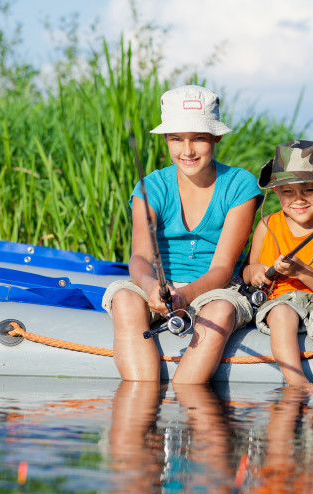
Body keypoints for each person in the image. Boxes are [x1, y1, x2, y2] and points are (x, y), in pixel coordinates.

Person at [102, 85, 261, 384]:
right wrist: (151, 288)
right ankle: (141, 402)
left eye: (198, 138)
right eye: (176, 138)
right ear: (166, 139)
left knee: (222, 311)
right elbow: (139, 257)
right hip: (159, 286)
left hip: (215, 289)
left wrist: (184, 296)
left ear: (216, 137)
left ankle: (186, 393)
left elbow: (223, 269)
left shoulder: (240, 185)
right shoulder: (151, 187)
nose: (187, 150)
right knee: (125, 298)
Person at [243, 140, 313, 392]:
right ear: (275, 193)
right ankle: (297, 383)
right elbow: (250, 271)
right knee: (282, 314)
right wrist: (257, 272)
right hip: (279, 298)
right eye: (288, 192)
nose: (298, 199)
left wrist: (301, 272)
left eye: (308, 190)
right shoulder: (267, 226)